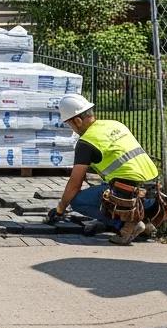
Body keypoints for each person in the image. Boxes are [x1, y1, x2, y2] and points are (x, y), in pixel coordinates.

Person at [46, 94, 161, 245]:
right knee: (104, 186)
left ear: (77, 120)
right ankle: (144, 222)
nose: (72, 129)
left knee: (76, 200)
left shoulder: (86, 142)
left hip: (129, 197)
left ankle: (126, 226)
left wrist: (60, 209)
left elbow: (75, 184)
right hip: (153, 194)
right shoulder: (115, 124)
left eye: (70, 124)